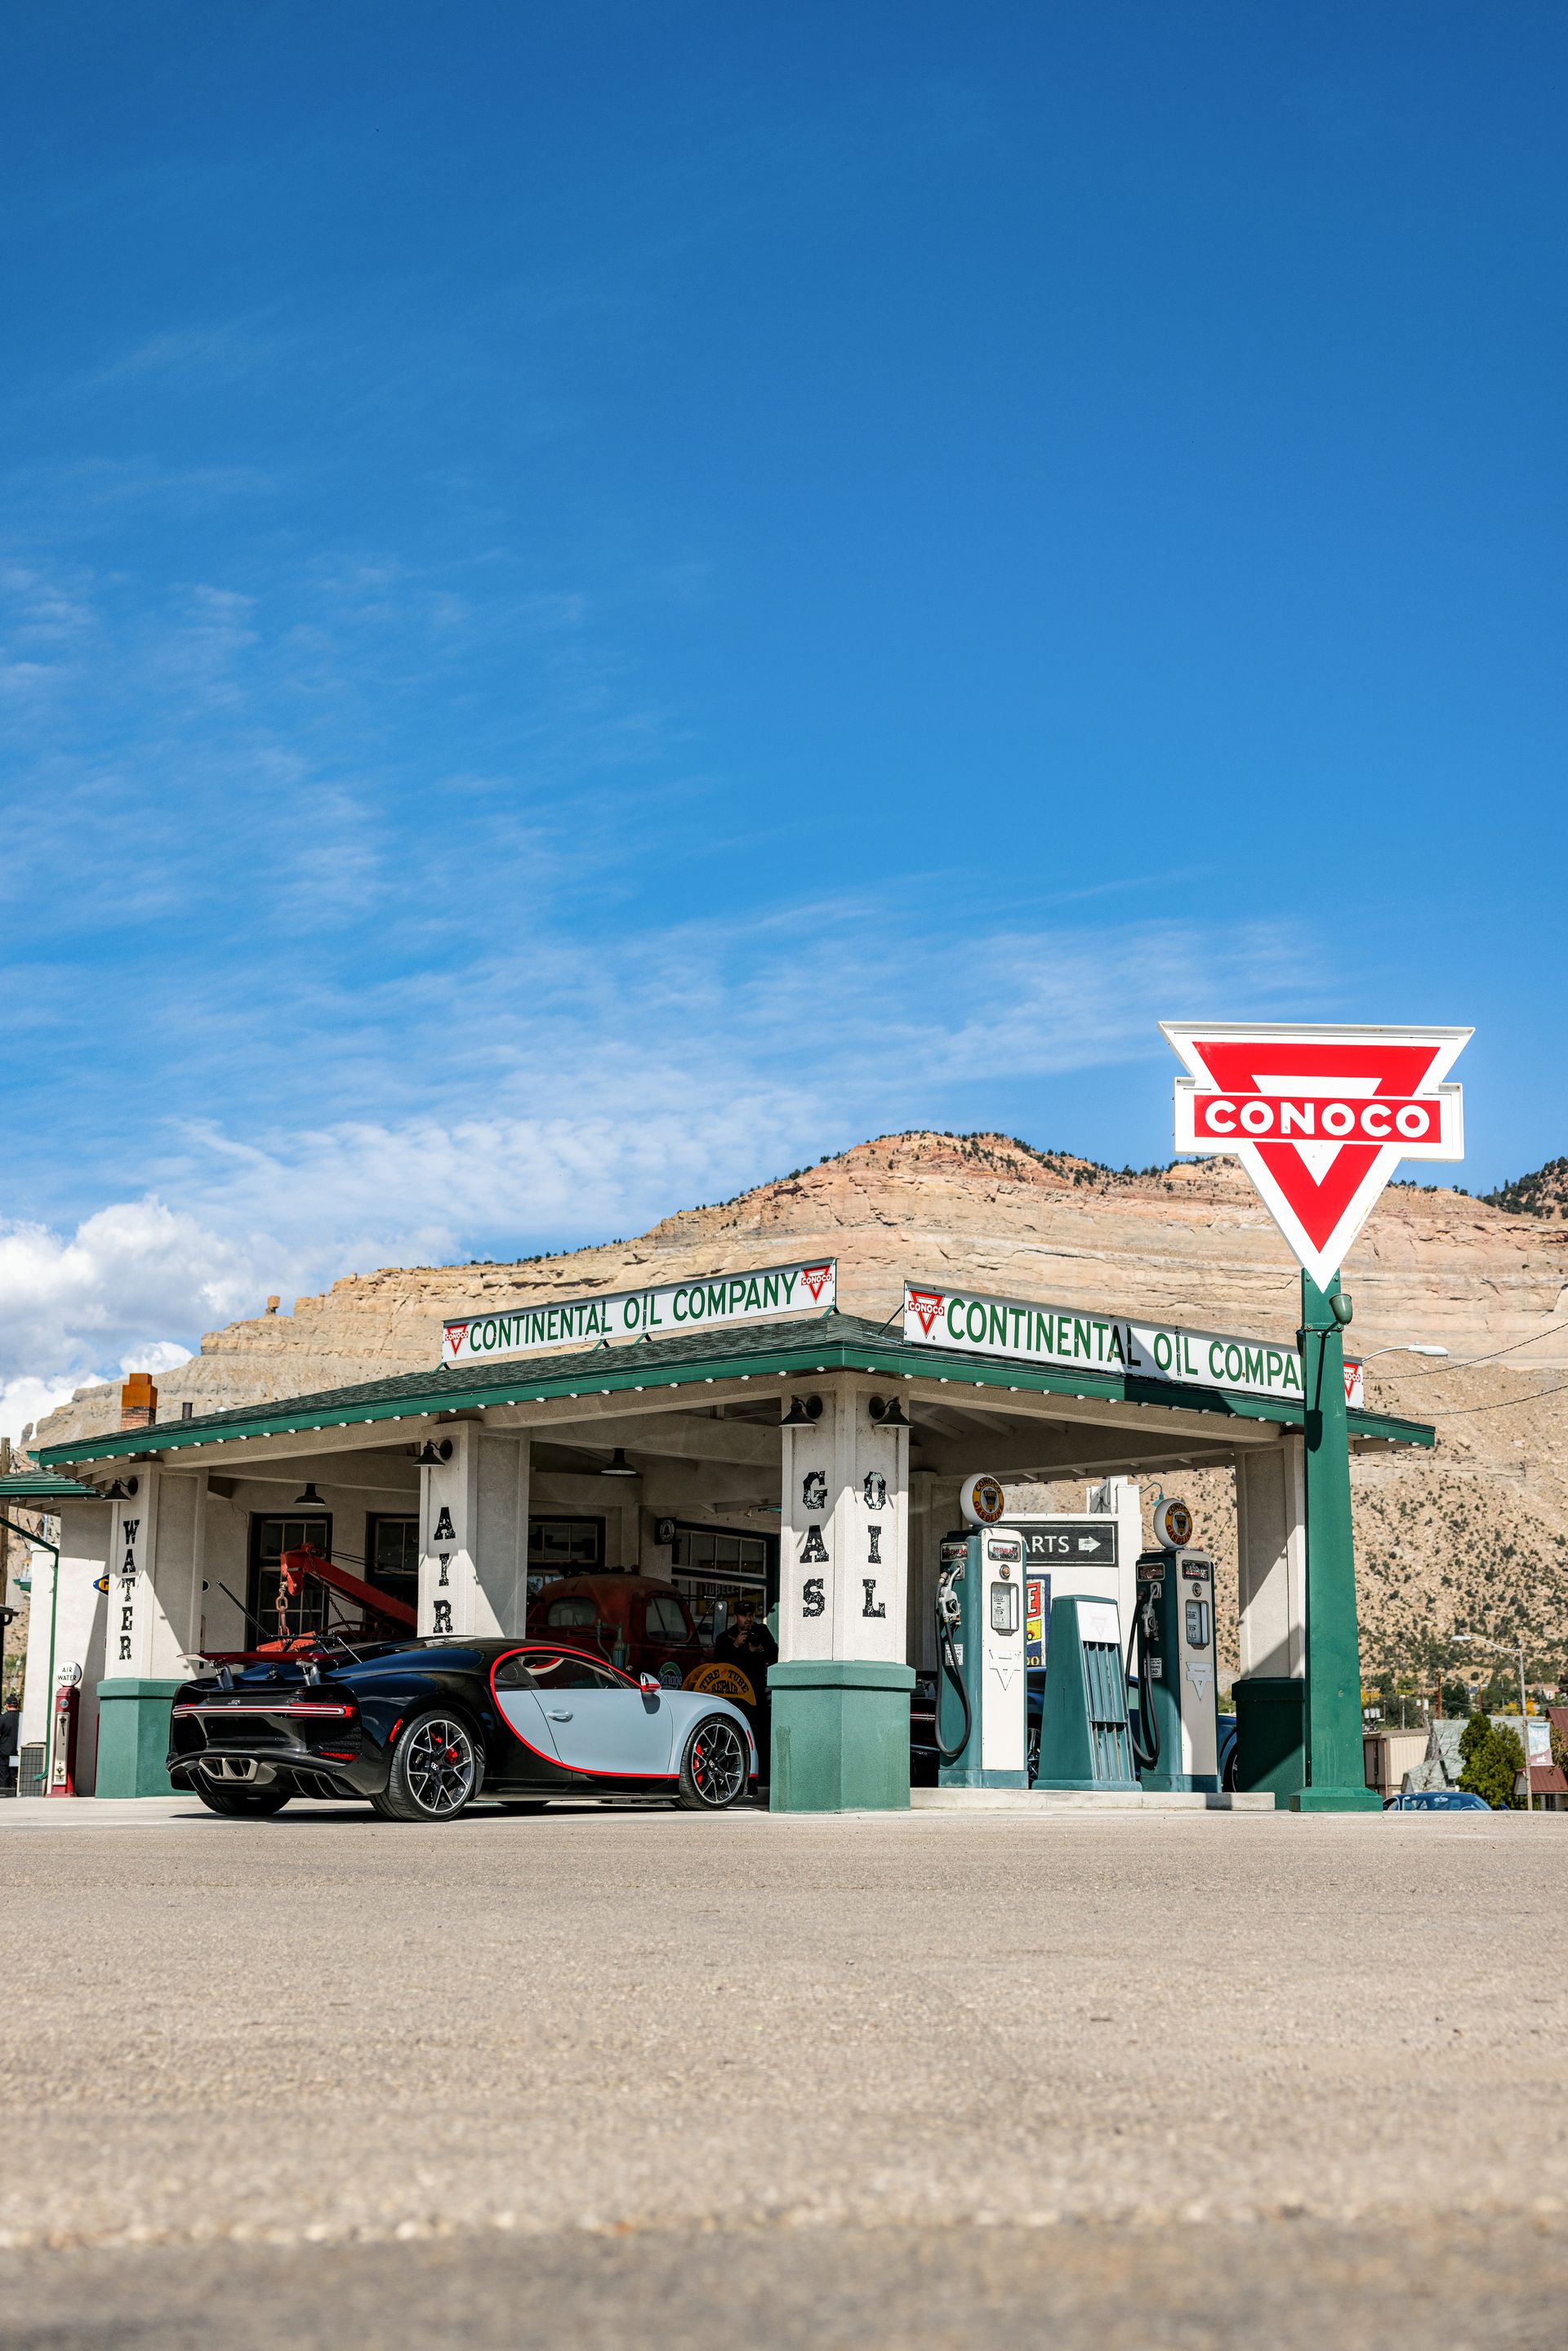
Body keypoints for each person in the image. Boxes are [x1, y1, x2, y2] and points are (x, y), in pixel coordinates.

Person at [0, 1693, 20, 1797]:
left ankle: (4, 1794)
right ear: (17, 1705)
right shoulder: (22, 1717)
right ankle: (14, 1793)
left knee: (4, 1774)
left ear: (7, 1706)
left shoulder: (2, 1718)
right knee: (14, 1774)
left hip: (4, 1750)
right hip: (18, 1751)